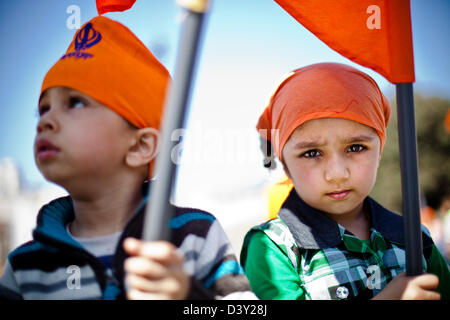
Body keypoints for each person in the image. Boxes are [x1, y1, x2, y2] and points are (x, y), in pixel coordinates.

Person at [0, 16, 253, 300]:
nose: (45, 121)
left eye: (76, 102)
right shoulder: (25, 268)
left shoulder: (195, 236)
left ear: (140, 146)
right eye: (43, 108)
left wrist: (188, 296)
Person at [240, 63, 450, 300]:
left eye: (356, 147)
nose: (337, 173)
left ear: (380, 151)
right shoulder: (273, 249)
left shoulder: (415, 238)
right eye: (312, 153)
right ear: (285, 164)